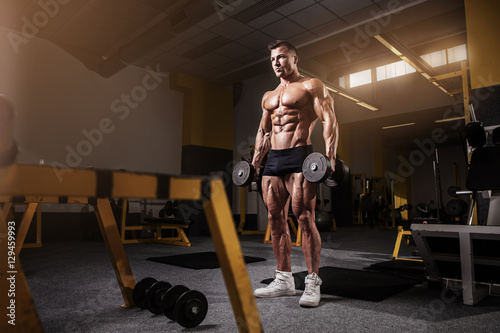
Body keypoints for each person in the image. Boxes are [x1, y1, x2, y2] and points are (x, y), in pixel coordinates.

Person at [251, 40, 338, 307]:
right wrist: (256, 163)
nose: (276, 62)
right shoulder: (268, 95)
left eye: (281, 57)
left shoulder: (312, 86)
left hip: (300, 156)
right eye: (272, 59)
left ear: (295, 58)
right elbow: (264, 131)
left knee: (304, 216)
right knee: (275, 218)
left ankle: (312, 281)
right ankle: (284, 280)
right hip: (273, 160)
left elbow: (329, 119)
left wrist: (331, 156)